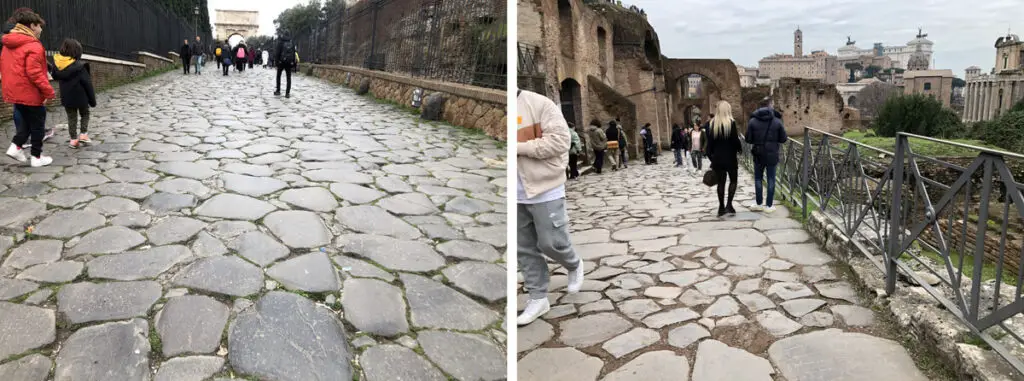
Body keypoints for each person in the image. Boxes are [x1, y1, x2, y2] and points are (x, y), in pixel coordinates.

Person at [516, 89, 584, 326]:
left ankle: (573, 263)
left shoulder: (540, 104)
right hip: (515, 193)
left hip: (544, 187)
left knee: (550, 242)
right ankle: (538, 297)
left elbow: (560, 141)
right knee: (523, 249)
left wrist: (519, 147)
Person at [3, 10, 54, 167]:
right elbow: (35, 73)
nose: (41, 30)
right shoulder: (33, 45)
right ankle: (36, 158)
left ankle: (15, 147)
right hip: (30, 93)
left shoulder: (8, 44)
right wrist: (49, 91)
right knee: (38, 124)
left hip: (14, 91)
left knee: (26, 123)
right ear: (32, 26)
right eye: (39, 26)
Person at [51, 39, 95, 149]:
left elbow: (55, 76)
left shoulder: (58, 66)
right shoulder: (81, 66)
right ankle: (83, 134)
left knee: (72, 118)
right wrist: (92, 100)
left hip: (67, 98)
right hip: (81, 98)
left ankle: (74, 140)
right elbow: (87, 84)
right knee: (85, 114)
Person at [746, 97, 788, 213]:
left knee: (758, 179)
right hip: (772, 154)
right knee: (771, 179)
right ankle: (769, 206)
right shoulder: (777, 121)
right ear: (770, 107)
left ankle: (759, 203)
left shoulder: (752, 121)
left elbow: (748, 139)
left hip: (758, 154)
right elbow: (783, 139)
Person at [704, 101, 743, 217]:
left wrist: (712, 158)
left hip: (718, 158)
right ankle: (729, 205)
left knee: (721, 183)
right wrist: (739, 149)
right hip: (730, 157)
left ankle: (721, 207)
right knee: (733, 181)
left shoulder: (712, 124)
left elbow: (709, 145)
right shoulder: (731, 123)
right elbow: (735, 141)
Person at [274, 31, 296, 98]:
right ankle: (287, 93)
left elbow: (277, 52)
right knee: (288, 77)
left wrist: (277, 62)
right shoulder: (292, 42)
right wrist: (293, 62)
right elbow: (294, 53)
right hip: (289, 62)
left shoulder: (280, 42)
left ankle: (278, 90)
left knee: (278, 76)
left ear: (283, 35)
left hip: (281, 62)